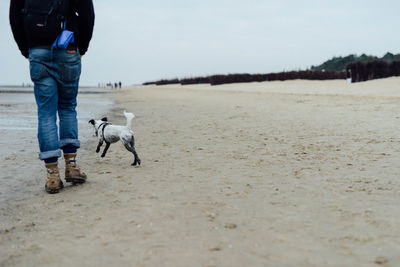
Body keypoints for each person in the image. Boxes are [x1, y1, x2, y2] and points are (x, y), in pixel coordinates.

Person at [10, 0, 95, 194]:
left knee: (46, 113)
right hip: (68, 50)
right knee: (67, 107)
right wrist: (82, 47)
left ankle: (52, 176)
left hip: (37, 50)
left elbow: (15, 19)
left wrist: (27, 49)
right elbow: (87, 16)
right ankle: (72, 166)